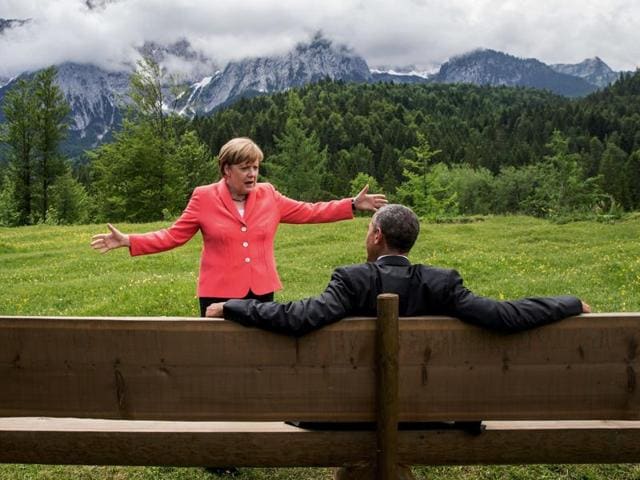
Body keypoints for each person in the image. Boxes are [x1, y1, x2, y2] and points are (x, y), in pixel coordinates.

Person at [90, 137, 387, 316]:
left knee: (259, 355)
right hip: (217, 292)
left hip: (261, 291)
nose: (252, 174)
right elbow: (173, 236)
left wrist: (350, 204)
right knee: (218, 358)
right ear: (226, 170)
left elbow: (309, 211)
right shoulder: (203, 197)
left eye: (255, 167)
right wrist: (129, 240)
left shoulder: (269, 194)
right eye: (245, 167)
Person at [206, 203, 590, 332]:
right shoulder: (442, 283)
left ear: (375, 236)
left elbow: (298, 317)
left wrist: (233, 306)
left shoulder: (351, 280)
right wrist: (569, 303)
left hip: (347, 414)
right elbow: (506, 315)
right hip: (431, 412)